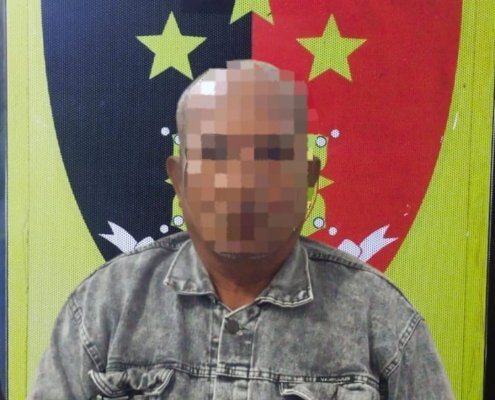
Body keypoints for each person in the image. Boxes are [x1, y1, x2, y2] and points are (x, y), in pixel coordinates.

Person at [29, 60, 454, 399]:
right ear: (179, 177)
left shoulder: (381, 320)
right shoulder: (103, 309)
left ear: (309, 176)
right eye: (216, 154)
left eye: (271, 154)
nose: (243, 181)